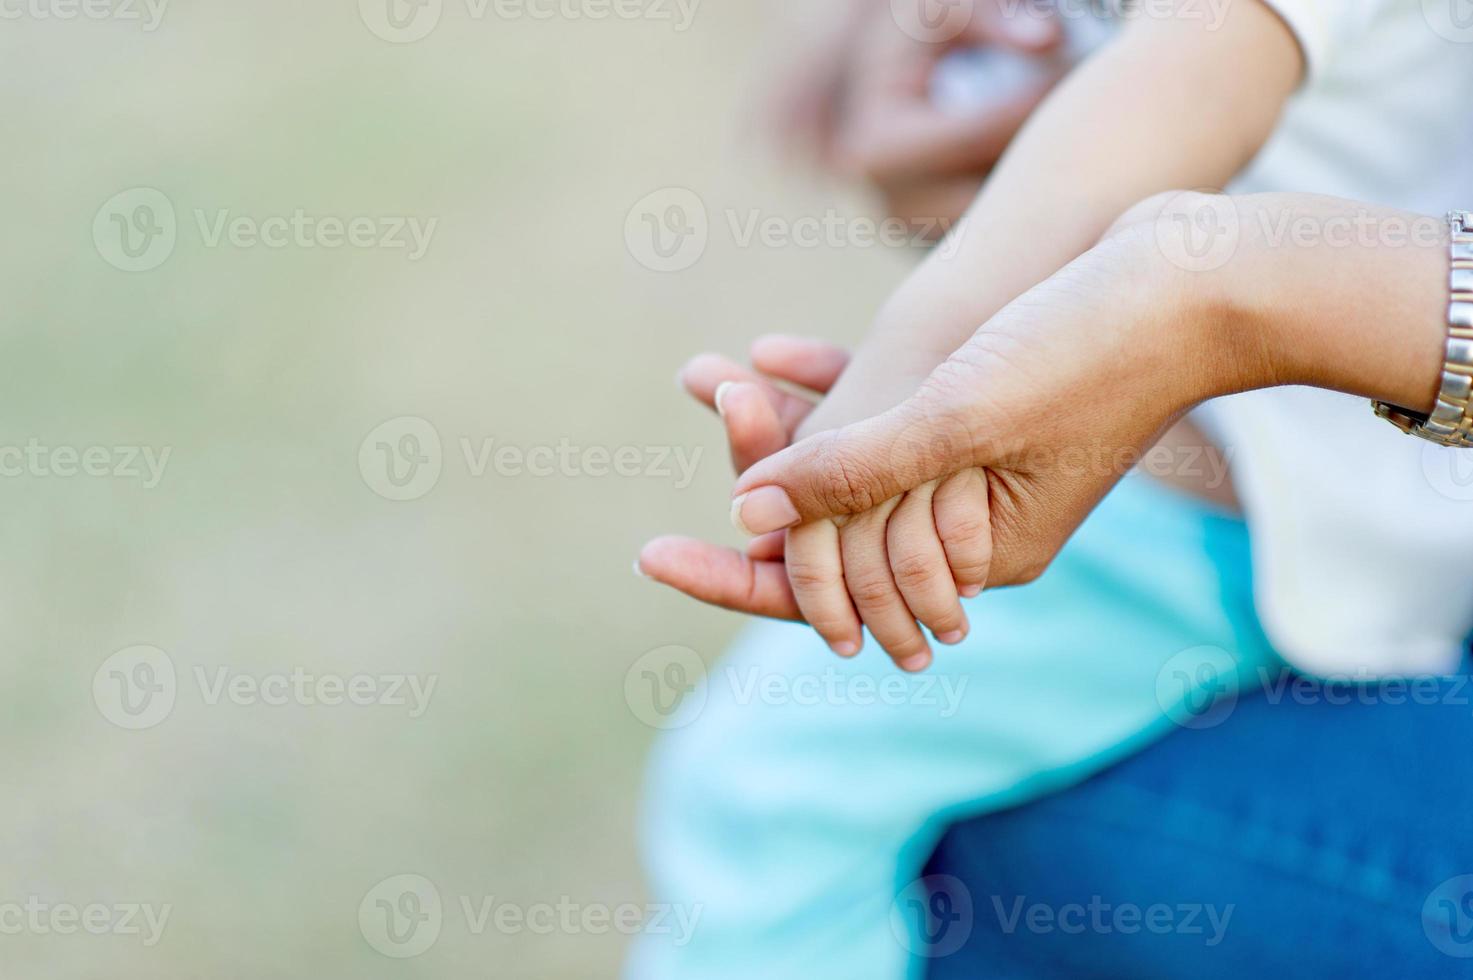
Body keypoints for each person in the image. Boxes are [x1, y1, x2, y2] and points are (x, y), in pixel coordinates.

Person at [631, 1, 1473, 976]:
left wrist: (905, 397)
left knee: (766, 791)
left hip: (1200, 516)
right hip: (1261, 489)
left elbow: (1196, 62)